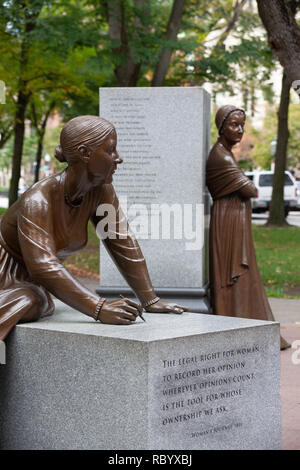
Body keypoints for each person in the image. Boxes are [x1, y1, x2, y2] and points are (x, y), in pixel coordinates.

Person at [0, 115, 188, 341]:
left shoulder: (101, 191)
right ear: (85, 153)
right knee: (28, 300)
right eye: (110, 150)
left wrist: (150, 300)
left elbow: (123, 242)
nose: (118, 159)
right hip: (5, 274)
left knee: (35, 299)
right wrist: (99, 308)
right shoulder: (38, 200)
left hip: (33, 282)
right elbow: (42, 265)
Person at [206, 105, 290, 350]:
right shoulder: (220, 156)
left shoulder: (226, 153)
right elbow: (250, 190)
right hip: (228, 222)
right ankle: (233, 325)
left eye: (242, 125)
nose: (240, 130)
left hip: (232, 218)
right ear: (222, 127)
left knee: (244, 277)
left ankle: (247, 326)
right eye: (234, 124)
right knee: (234, 275)